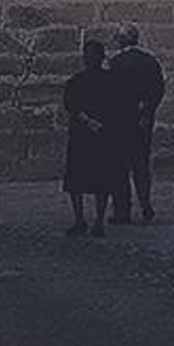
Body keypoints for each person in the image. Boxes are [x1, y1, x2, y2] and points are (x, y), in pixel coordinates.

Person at [62, 39, 124, 237]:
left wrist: (87, 121)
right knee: (102, 180)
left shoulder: (76, 81)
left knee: (76, 180)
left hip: (81, 135)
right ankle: (98, 221)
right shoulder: (112, 81)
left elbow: (71, 105)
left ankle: (80, 220)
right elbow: (118, 106)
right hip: (103, 135)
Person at [108, 24, 166, 224]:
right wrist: (148, 112)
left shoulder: (116, 63)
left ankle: (122, 212)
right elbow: (158, 90)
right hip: (142, 122)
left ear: (121, 41)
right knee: (141, 165)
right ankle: (145, 204)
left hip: (120, 123)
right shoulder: (150, 61)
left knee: (120, 167)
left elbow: (111, 93)